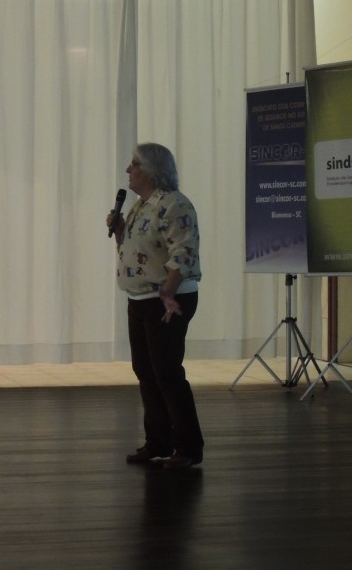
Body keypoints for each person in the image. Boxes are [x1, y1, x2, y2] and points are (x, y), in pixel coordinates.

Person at [107, 143, 204, 469]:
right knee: (146, 372)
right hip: (140, 299)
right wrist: (120, 230)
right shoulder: (140, 206)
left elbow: (183, 252)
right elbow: (137, 251)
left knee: (167, 373)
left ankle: (188, 448)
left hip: (166, 299)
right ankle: (158, 441)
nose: (128, 170)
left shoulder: (174, 204)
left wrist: (169, 293)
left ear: (151, 170)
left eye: (134, 164)